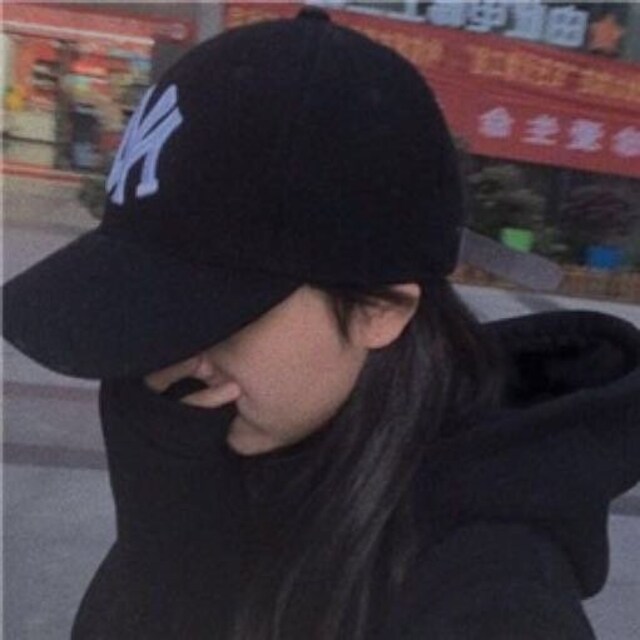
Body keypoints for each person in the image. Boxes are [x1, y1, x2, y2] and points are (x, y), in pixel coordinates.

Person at [3, 8, 640, 640]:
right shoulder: (226, 457)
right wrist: (168, 528)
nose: (170, 361)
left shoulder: (489, 601)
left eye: (214, 316)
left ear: (378, 310)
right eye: (144, 314)